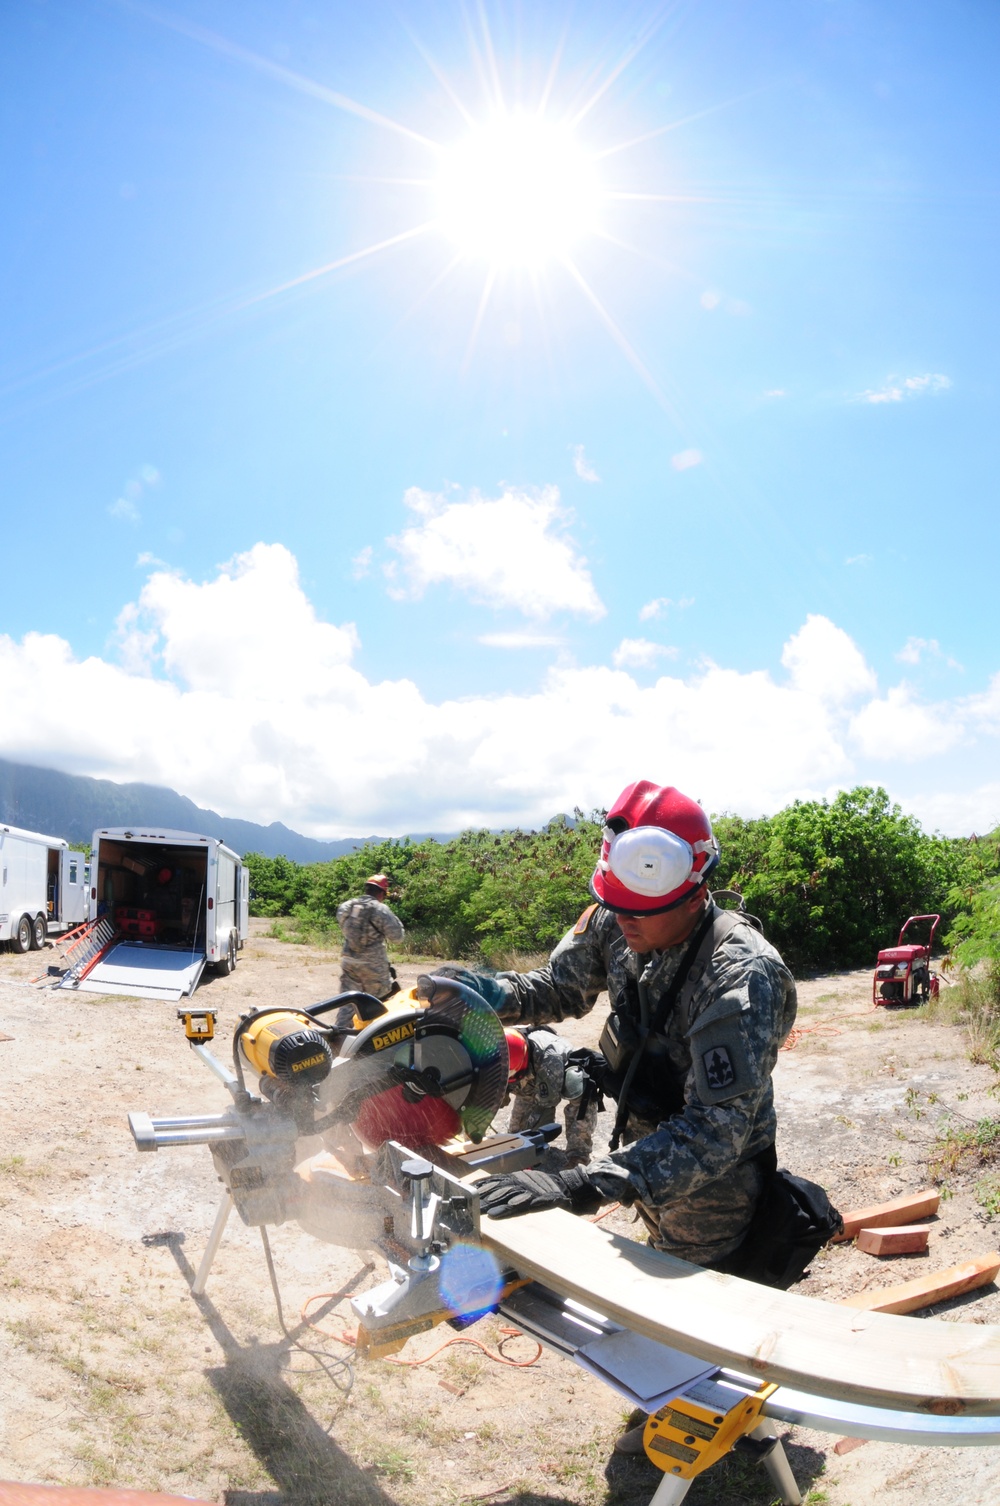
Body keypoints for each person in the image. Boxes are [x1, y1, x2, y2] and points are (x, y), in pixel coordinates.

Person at [450, 781, 799, 1451]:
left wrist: (583, 1183)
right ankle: (677, 1401)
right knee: (657, 1291)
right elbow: (556, 988)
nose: (623, 922)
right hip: (643, 1145)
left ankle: (711, 1430)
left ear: (695, 892)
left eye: (640, 911)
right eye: (612, 904)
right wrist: (478, 992)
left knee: (691, 1305)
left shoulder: (740, 974)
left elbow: (718, 1131)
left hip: (712, 1184)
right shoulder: (618, 915)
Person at [504, 1027, 598, 1167]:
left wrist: (533, 1140)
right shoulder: (499, 1052)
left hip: (559, 1071)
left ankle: (578, 1156)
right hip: (530, 1070)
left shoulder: (550, 1060)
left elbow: (547, 1104)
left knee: (580, 1092)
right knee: (515, 1137)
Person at [336, 874, 405, 1001]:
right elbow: (398, 937)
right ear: (382, 893)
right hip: (373, 966)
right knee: (379, 1004)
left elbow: (341, 920)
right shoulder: (381, 909)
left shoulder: (348, 905)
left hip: (349, 962)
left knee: (349, 1003)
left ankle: (344, 1021)